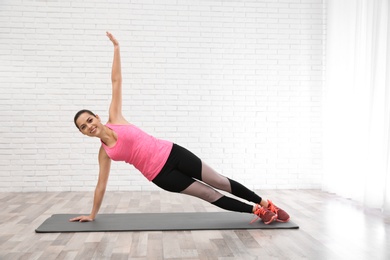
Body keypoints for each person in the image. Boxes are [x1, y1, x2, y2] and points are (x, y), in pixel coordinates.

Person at [70, 32, 290, 225]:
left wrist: (116, 48)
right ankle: (257, 211)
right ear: (82, 133)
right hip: (160, 175)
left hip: (172, 152)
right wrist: (92, 214)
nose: (89, 126)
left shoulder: (115, 118)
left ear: (97, 117)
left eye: (89, 120)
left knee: (219, 181)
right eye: (83, 127)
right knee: (208, 194)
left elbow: (116, 81)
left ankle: (266, 203)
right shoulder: (105, 153)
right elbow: (101, 185)